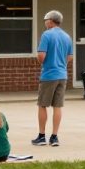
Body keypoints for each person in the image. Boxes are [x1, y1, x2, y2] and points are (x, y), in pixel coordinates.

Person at [33, 10, 73, 147]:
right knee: (57, 106)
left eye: (45, 20)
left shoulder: (47, 35)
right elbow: (70, 57)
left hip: (49, 75)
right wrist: (61, 64)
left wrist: (45, 62)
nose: (44, 22)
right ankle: (54, 137)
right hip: (63, 75)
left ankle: (41, 136)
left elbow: (41, 56)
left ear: (50, 21)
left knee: (42, 104)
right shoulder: (67, 36)